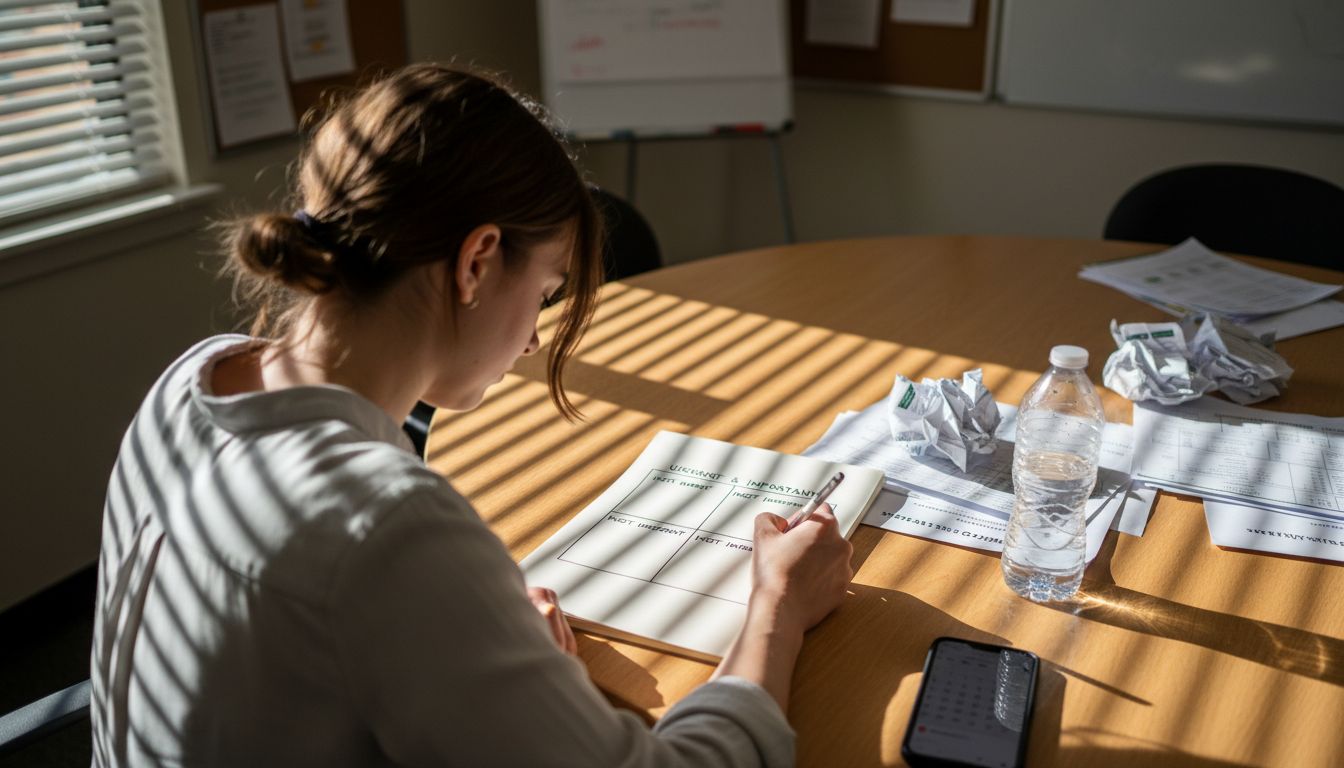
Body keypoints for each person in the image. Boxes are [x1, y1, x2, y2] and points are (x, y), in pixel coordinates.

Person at [90, 63, 854, 767]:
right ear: (477, 262)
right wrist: (776, 610)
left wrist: (468, 635)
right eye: (547, 294)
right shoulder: (384, 527)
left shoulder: (196, 375)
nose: (531, 342)